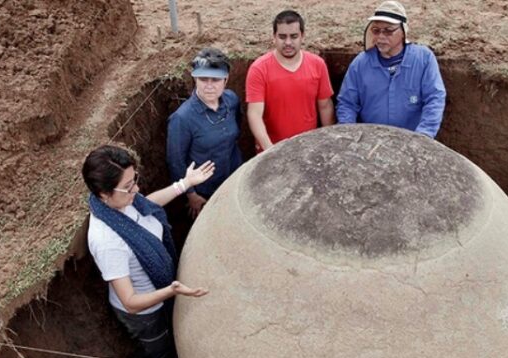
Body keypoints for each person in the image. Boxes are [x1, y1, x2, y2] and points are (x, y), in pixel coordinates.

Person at [83, 145, 213, 358]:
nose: (136, 189)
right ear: (104, 193)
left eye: (134, 180)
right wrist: (171, 290)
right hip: (146, 315)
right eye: (127, 187)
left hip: (160, 291)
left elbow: (146, 207)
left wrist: (185, 183)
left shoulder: (123, 202)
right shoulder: (107, 241)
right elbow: (131, 302)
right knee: (157, 353)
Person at [336, 1, 446, 138]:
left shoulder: (423, 59)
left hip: (412, 141)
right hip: (371, 142)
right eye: (376, 30)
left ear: (403, 32)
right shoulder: (361, 63)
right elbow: (347, 103)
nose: (381, 37)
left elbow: (435, 99)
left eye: (388, 31)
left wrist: (423, 137)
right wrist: (350, 135)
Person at [166, 47, 243, 219]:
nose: (209, 86)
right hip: (205, 191)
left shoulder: (231, 100)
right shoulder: (182, 119)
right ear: (194, 79)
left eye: (215, 80)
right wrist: (191, 195)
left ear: (226, 79)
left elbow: (237, 130)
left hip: (233, 179)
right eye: (203, 79)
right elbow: (175, 162)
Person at [246, 10, 335, 152]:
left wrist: (329, 141)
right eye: (282, 37)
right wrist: (269, 150)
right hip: (272, 149)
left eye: (293, 36)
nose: (288, 42)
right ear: (274, 37)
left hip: (307, 147)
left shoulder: (317, 65)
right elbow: (255, 114)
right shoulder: (259, 69)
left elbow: (325, 106)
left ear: (302, 36)